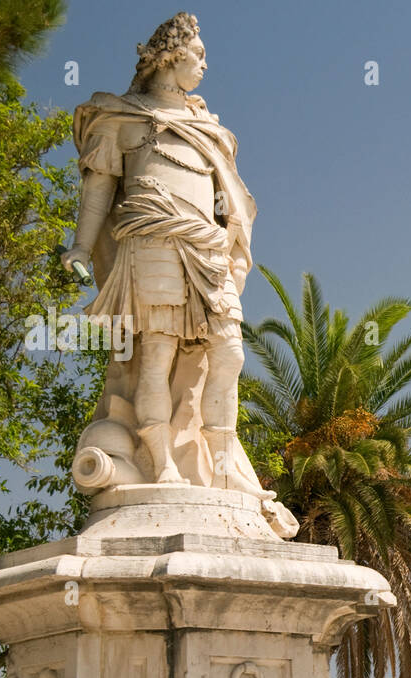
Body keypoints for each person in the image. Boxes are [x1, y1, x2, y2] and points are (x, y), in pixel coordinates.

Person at [62, 12, 293, 534]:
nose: (205, 65)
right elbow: (98, 188)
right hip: (152, 238)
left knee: (228, 351)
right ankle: (162, 461)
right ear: (170, 57)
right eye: (198, 55)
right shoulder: (122, 117)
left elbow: (229, 202)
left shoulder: (208, 127)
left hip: (206, 247)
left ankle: (224, 465)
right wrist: (80, 245)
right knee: (157, 352)